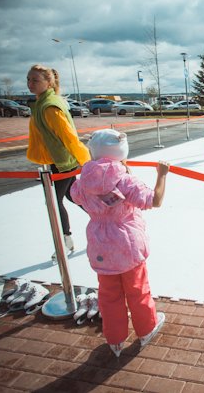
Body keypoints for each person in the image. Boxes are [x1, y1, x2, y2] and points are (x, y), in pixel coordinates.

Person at [70, 129, 168, 357]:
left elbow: (75, 195)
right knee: (137, 290)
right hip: (128, 246)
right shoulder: (125, 180)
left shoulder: (84, 180)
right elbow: (154, 200)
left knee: (108, 295)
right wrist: (162, 174)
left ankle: (115, 340)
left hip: (100, 245)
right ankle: (146, 329)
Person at [26, 64, 91, 255]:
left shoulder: (49, 107)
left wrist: (87, 162)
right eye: (28, 79)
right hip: (58, 160)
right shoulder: (42, 103)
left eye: (35, 80)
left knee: (54, 202)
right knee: (72, 196)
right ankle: (104, 221)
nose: (30, 84)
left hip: (62, 162)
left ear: (49, 82)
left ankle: (65, 239)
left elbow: (69, 137)